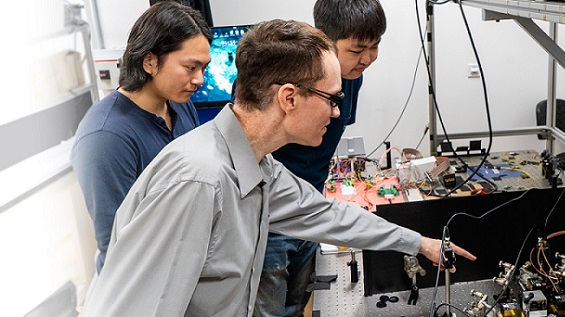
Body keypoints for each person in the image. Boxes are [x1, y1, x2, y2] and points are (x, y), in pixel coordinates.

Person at [81, 19, 476, 317]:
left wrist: (418, 243)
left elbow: (327, 215)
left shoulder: (257, 166)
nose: (337, 111)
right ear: (288, 98)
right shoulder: (199, 181)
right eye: (330, 98)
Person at [255, 1, 387, 316]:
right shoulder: (277, 76)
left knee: (297, 301)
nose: (367, 59)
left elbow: (327, 137)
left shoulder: (351, 75)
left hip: (311, 202)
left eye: (375, 46)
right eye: (357, 50)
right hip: (272, 214)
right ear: (325, 40)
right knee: (272, 309)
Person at [71, 0, 211, 274]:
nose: (200, 79)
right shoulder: (106, 137)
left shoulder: (180, 105)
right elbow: (118, 245)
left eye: (203, 68)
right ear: (150, 61)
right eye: (191, 67)